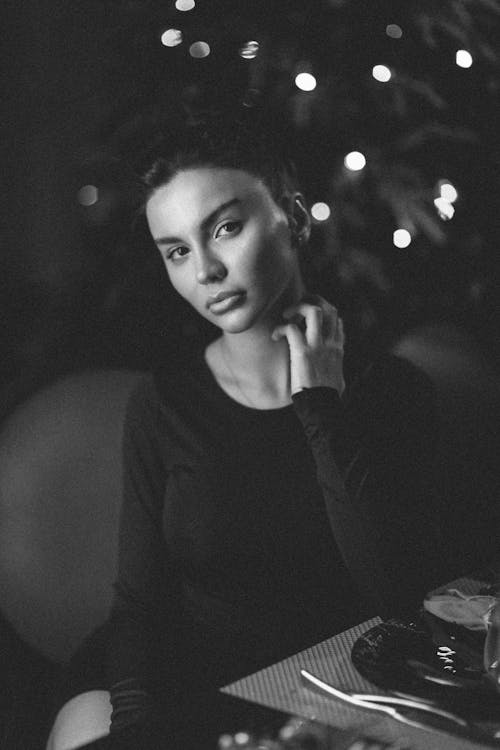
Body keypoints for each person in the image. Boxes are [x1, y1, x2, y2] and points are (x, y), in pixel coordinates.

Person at [46, 114, 447, 750]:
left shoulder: (393, 390)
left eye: (226, 228)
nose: (205, 269)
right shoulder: (163, 404)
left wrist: (319, 406)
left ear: (293, 216)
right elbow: (139, 607)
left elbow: (402, 599)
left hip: (341, 694)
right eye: (177, 250)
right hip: (181, 685)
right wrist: (135, 730)